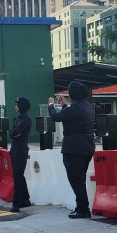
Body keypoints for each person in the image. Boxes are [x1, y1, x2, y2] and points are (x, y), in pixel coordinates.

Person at [48, 81, 96, 219]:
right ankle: (81, 206)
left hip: (74, 147)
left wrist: (51, 105)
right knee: (80, 178)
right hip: (87, 145)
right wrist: (63, 105)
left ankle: (83, 208)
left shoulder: (75, 108)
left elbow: (56, 117)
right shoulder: (87, 107)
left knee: (76, 179)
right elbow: (69, 116)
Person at [9, 96, 33, 212]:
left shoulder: (26, 119)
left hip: (20, 150)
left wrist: (14, 133)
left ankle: (16, 203)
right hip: (15, 149)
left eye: (17, 105)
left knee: (18, 176)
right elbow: (11, 132)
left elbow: (14, 131)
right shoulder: (20, 118)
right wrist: (13, 133)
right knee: (18, 175)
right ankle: (25, 199)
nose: (15, 107)